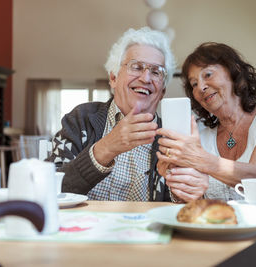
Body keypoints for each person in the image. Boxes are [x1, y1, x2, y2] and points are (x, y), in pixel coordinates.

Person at [156, 42, 256, 204]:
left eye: (208, 75)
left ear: (234, 71)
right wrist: (177, 183)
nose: (201, 87)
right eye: (194, 84)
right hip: (230, 226)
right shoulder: (201, 137)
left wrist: (198, 159)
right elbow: (195, 202)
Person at [47, 27, 178, 201]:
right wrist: (106, 147)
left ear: (162, 91)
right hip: (85, 227)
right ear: (113, 78)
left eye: (156, 72)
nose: (146, 78)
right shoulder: (81, 119)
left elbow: (178, 208)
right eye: (136, 67)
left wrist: (181, 194)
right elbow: (48, 188)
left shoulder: (171, 139)